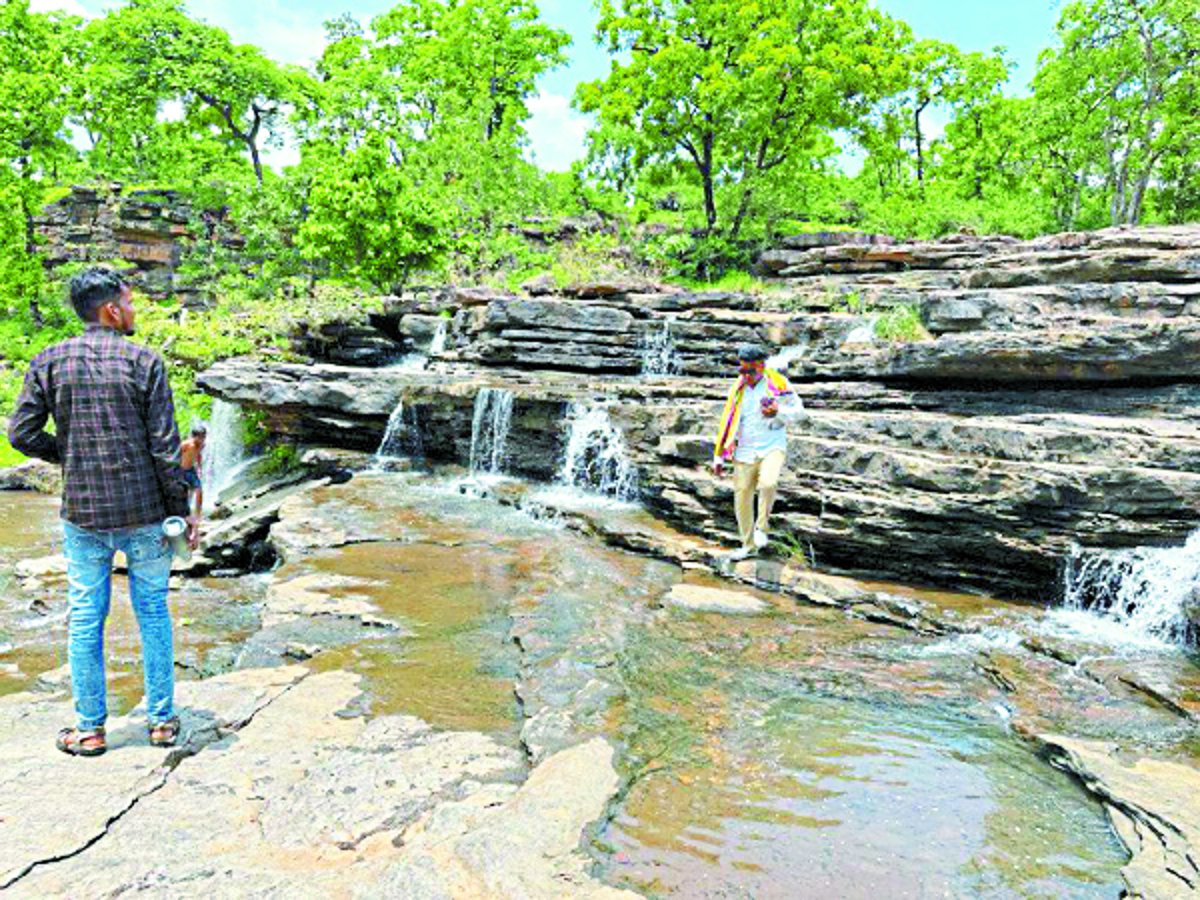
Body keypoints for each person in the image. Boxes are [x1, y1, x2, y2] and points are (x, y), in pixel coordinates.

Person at [8, 268, 196, 757]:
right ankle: (160, 723)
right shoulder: (145, 362)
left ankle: (90, 730)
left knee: (86, 618)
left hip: (84, 515)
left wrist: (68, 453)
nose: (134, 310)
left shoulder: (48, 361)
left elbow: (20, 435)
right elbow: (163, 448)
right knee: (152, 611)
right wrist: (181, 512)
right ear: (112, 310)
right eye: (130, 302)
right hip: (145, 511)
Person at [711, 344, 805, 560]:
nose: (745, 375)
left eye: (750, 371)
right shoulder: (737, 388)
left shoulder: (778, 383)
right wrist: (718, 455)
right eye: (741, 370)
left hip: (772, 444)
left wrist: (778, 410)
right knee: (742, 496)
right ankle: (748, 545)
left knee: (769, 482)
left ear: (762, 366)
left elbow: (800, 412)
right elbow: (726, 420)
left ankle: (762, 527)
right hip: (744, 450)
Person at [180, 422, 206, 518]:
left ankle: (198, 516)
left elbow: (198, 454)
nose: (202, 439)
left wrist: (199, 467)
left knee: (199, 491)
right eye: (200, 437)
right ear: (193, 436)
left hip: (191, 470)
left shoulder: (202, 445)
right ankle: (187, 515)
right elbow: (175, 454)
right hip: (181, 471)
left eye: (203, 437)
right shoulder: (186, 444)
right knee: (187, 494)